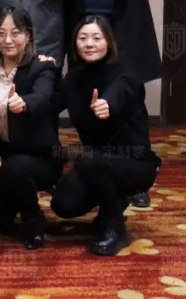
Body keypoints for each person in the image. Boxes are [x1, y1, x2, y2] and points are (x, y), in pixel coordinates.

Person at [67, 0, 165, 209]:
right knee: (88, 99)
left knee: (128, 102)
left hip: (124, 29)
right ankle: (95, 167)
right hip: (85, 28)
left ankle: (135, 175)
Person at [50, 16, 162, 257]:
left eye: (96, 38)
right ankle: (114, 200)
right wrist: (43, 71)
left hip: (134, 164)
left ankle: (115, 226)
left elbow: (120, 90)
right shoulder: (74, 78)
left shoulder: (126, 72)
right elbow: (49, 105)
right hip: (95, 162)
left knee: (89, 158)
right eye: (83, 38)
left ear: (108, 42)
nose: (89, 43)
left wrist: (106, 103)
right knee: (63, 204)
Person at [0, 6, 64, 250]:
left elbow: (43, 95)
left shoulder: (42, 67)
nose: (8, 40)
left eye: (15, 33)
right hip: (5, 154)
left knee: (16, 168)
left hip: (40, 157)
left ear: (28, 35)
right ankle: (10, 207)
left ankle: (33, 219)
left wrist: (25, 103)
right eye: (1, 33)